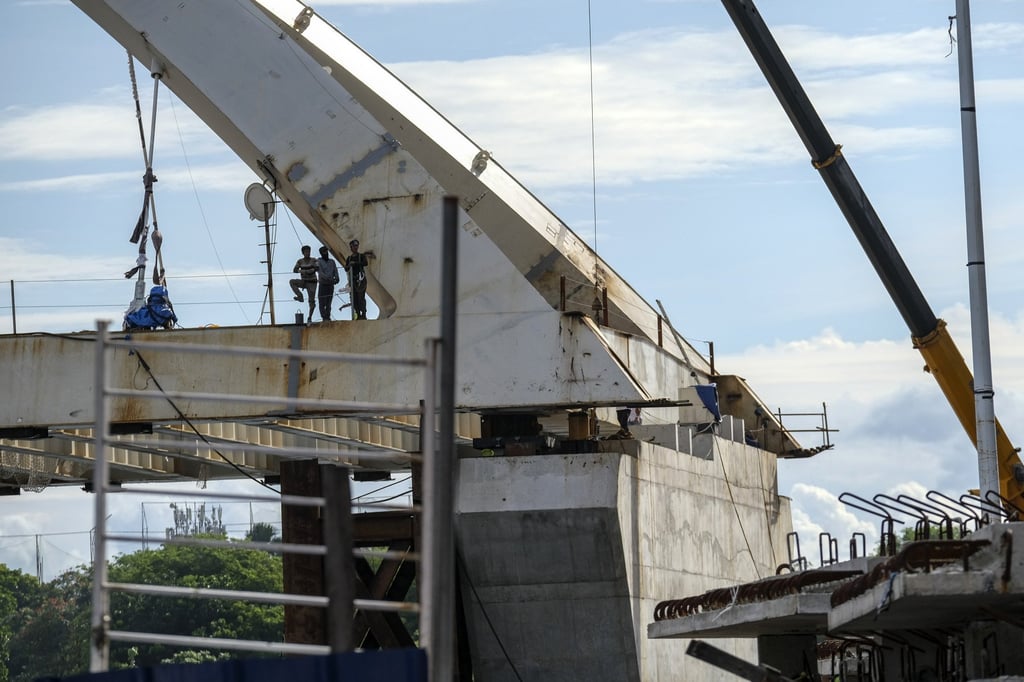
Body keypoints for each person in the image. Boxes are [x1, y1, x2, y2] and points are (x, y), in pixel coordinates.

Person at [343, 239, 373, 320]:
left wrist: (355, 263)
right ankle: (358, 314)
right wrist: (349, 265)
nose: (355, 247)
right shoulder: (349, 258)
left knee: (361, 297)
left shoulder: (361, 256)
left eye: (357, 246)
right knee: (354, 298)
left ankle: (363, 313)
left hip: (361, 279)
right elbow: (346, 268)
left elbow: (365, 263)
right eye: (354, 246)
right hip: (353, 281)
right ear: (351, 247)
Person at [289, 245, 318, 323]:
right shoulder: (300, 261)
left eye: (308, 251)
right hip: (304, 281)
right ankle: (300, 296)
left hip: (312, 282)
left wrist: (310, 271)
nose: (307, 253)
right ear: (303, 253)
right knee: (292, 282)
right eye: (306, 252)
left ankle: (310, 317)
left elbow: (317, 268)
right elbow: (294, 269)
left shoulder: (314, 260)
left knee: (311, 301)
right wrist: (301, 271)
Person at [316, 246, 340, 322]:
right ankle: (324, 317)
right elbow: (320, 272)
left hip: (330, 285)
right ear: (321, 253)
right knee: (321, 302)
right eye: (324, 252)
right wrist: (329, 279)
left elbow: (335, 271)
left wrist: (337, 278)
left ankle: (328, 316)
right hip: (323, 284)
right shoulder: (318, 261)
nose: (326, 253)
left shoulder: (332, 262)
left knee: (329, 302)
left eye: (326, 251)